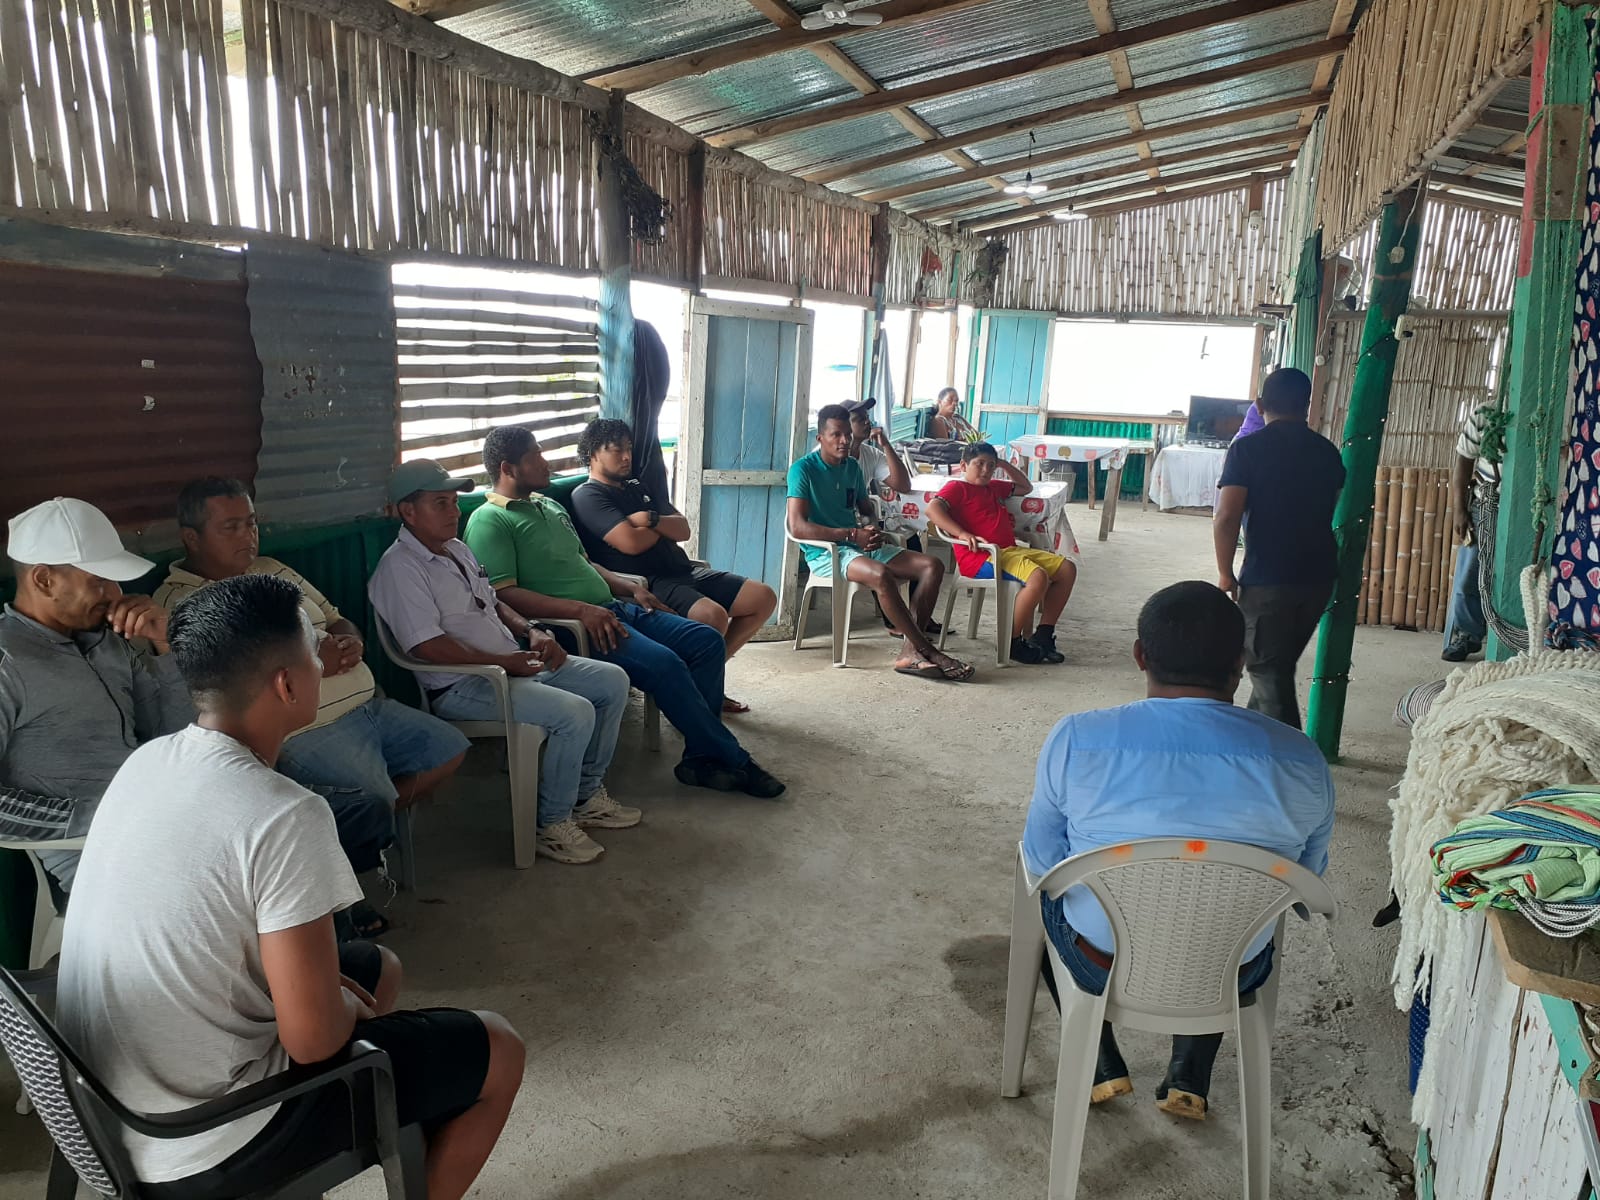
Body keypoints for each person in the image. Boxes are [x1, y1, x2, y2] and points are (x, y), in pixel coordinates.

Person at [57, 574, 523, 1200]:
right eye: (312, 653)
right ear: (288, 684)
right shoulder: (284, 813)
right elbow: (314, 1040)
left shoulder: (150, 760)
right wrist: (341, 1010)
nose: (320, 664)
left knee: (376, 965)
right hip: (205, 1141)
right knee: (498, 1047)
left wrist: (332, 996)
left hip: (108, 1111)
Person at [1021, 580, 1334, 1120]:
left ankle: (1100, 1060)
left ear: (1140, 655)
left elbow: (1043, 863)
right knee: (1230, 915)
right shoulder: (1302, 759)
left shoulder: (1077, 739)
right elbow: (1305, 888)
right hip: (1232, 971)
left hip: (1100, 963)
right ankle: (1189, 1074)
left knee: (1048, 905)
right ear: (1240, 661)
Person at [154, 477, 469, 935]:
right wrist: (313, 661)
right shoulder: (179, 605)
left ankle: (343, 839)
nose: (248, 536)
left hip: (367, 704)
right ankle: (346, 882)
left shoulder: (272, 569)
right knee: (372, 800)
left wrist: (352, 641)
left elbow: (335, 616)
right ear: (191, 537)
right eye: (231, 527)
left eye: (251, 523)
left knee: (449, 748)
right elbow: (214, 690)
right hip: (307, 731)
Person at [463, 429, 785, 800]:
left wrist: (630, 588)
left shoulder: (548, 506)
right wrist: (581, 610)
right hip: (575, 627)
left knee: (706, 640)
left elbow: (586, 563)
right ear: (508, 469)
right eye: (536, 456)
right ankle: (733, 758)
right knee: (665, 664)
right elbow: (503, 595)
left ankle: (701, 758)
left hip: (615, 607)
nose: (546, 462)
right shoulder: (490, 521)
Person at [369, 459, 641, 864]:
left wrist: (533, 631)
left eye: (454, 502)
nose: (453, 511)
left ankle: (585, 796)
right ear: (408, 511)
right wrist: (502, 661)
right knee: (574, 712)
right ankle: (551, 824)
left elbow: (493, 601)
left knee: (613, 681)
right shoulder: (400, 569)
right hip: (464, 685)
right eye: (440, 503)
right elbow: (425, 647)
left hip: (510, 663)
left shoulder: (455, 548)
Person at [0, 497, 191, 892]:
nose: (115, 592)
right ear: (44, 580)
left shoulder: (109, 643)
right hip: (102, 860)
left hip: (167, 824)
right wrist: (96, 816)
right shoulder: (7, 662)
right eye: (98, 580)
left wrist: (166, 646)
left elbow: (173, 738)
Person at [568, 419, 776, 714]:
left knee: (763, 597)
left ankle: (699, 682)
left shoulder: (637, 486)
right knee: (713, 616)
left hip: (683, 569)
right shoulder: (588, 495)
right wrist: (660, 527)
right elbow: (631, 543)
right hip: (647, 581)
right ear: (592, 454)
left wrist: (649, 520)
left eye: (629, 449)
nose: (626, 457)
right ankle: (702, 699)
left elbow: (684, 529)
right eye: (616, 450)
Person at [786, 405, 973, 682]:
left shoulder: (851, 467)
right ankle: (927, 650)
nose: (844, 440)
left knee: (932, 566)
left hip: (856, 546)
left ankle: (910, 652)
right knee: (881, 574)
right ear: (820, 438)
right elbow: (797, 526)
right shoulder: (803, 470)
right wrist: (851, 535)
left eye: (847, 434)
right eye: (836, 435)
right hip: (826, 552)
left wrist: (871, 526)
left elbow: (865, 509)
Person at [1214, 367, 1346, 729]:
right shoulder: (1328, 452)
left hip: (1268, 576)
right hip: (1319, 576)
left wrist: (1225, 572)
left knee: (1265, 667)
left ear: (1259, 405)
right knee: (1276, 666)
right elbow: (1329, 507)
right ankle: (1253, 740)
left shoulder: (1247, 450)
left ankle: (1291, 752)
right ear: (1307, 405)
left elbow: (1227, 516)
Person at [925, 442, 1077, 664]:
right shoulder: (957, 487)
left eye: (991, 465)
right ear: (963, 465)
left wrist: (1004, 464)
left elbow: (1025, 487)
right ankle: (1011, 641)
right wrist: (963, 534)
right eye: (979, 464)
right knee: (1038, 578)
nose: (985, 470)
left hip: (1009, 551)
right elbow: (932, 509)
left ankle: (1044, 635)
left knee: (1067, 569)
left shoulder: (994, 487)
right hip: (981, 556)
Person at [1442, 402, 1495, 662]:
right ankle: (1467, 635)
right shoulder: (1485, 415)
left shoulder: (1543, 414)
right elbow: (1464, 462)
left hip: (1526, 507)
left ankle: (1515, 638)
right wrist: (1460, 509)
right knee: (1468, 577)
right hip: (1484, 503)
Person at [841, 397, 912, 501]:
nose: (867, 422)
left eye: (867, 417)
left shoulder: (872, 454)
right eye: (860, 419)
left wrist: (886, 445)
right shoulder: (826, 457)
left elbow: (903, 486)